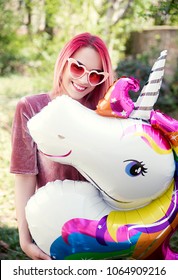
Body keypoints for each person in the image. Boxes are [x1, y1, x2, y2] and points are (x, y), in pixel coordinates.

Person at [10, 32, 114, 260]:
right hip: (51, 231)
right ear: (64, 61)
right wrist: (25, 241)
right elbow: (25, 176)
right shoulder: (31, 107)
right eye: (78, 68)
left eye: (95, 75)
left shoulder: (106, 115)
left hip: (101, 236)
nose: (85, 80)